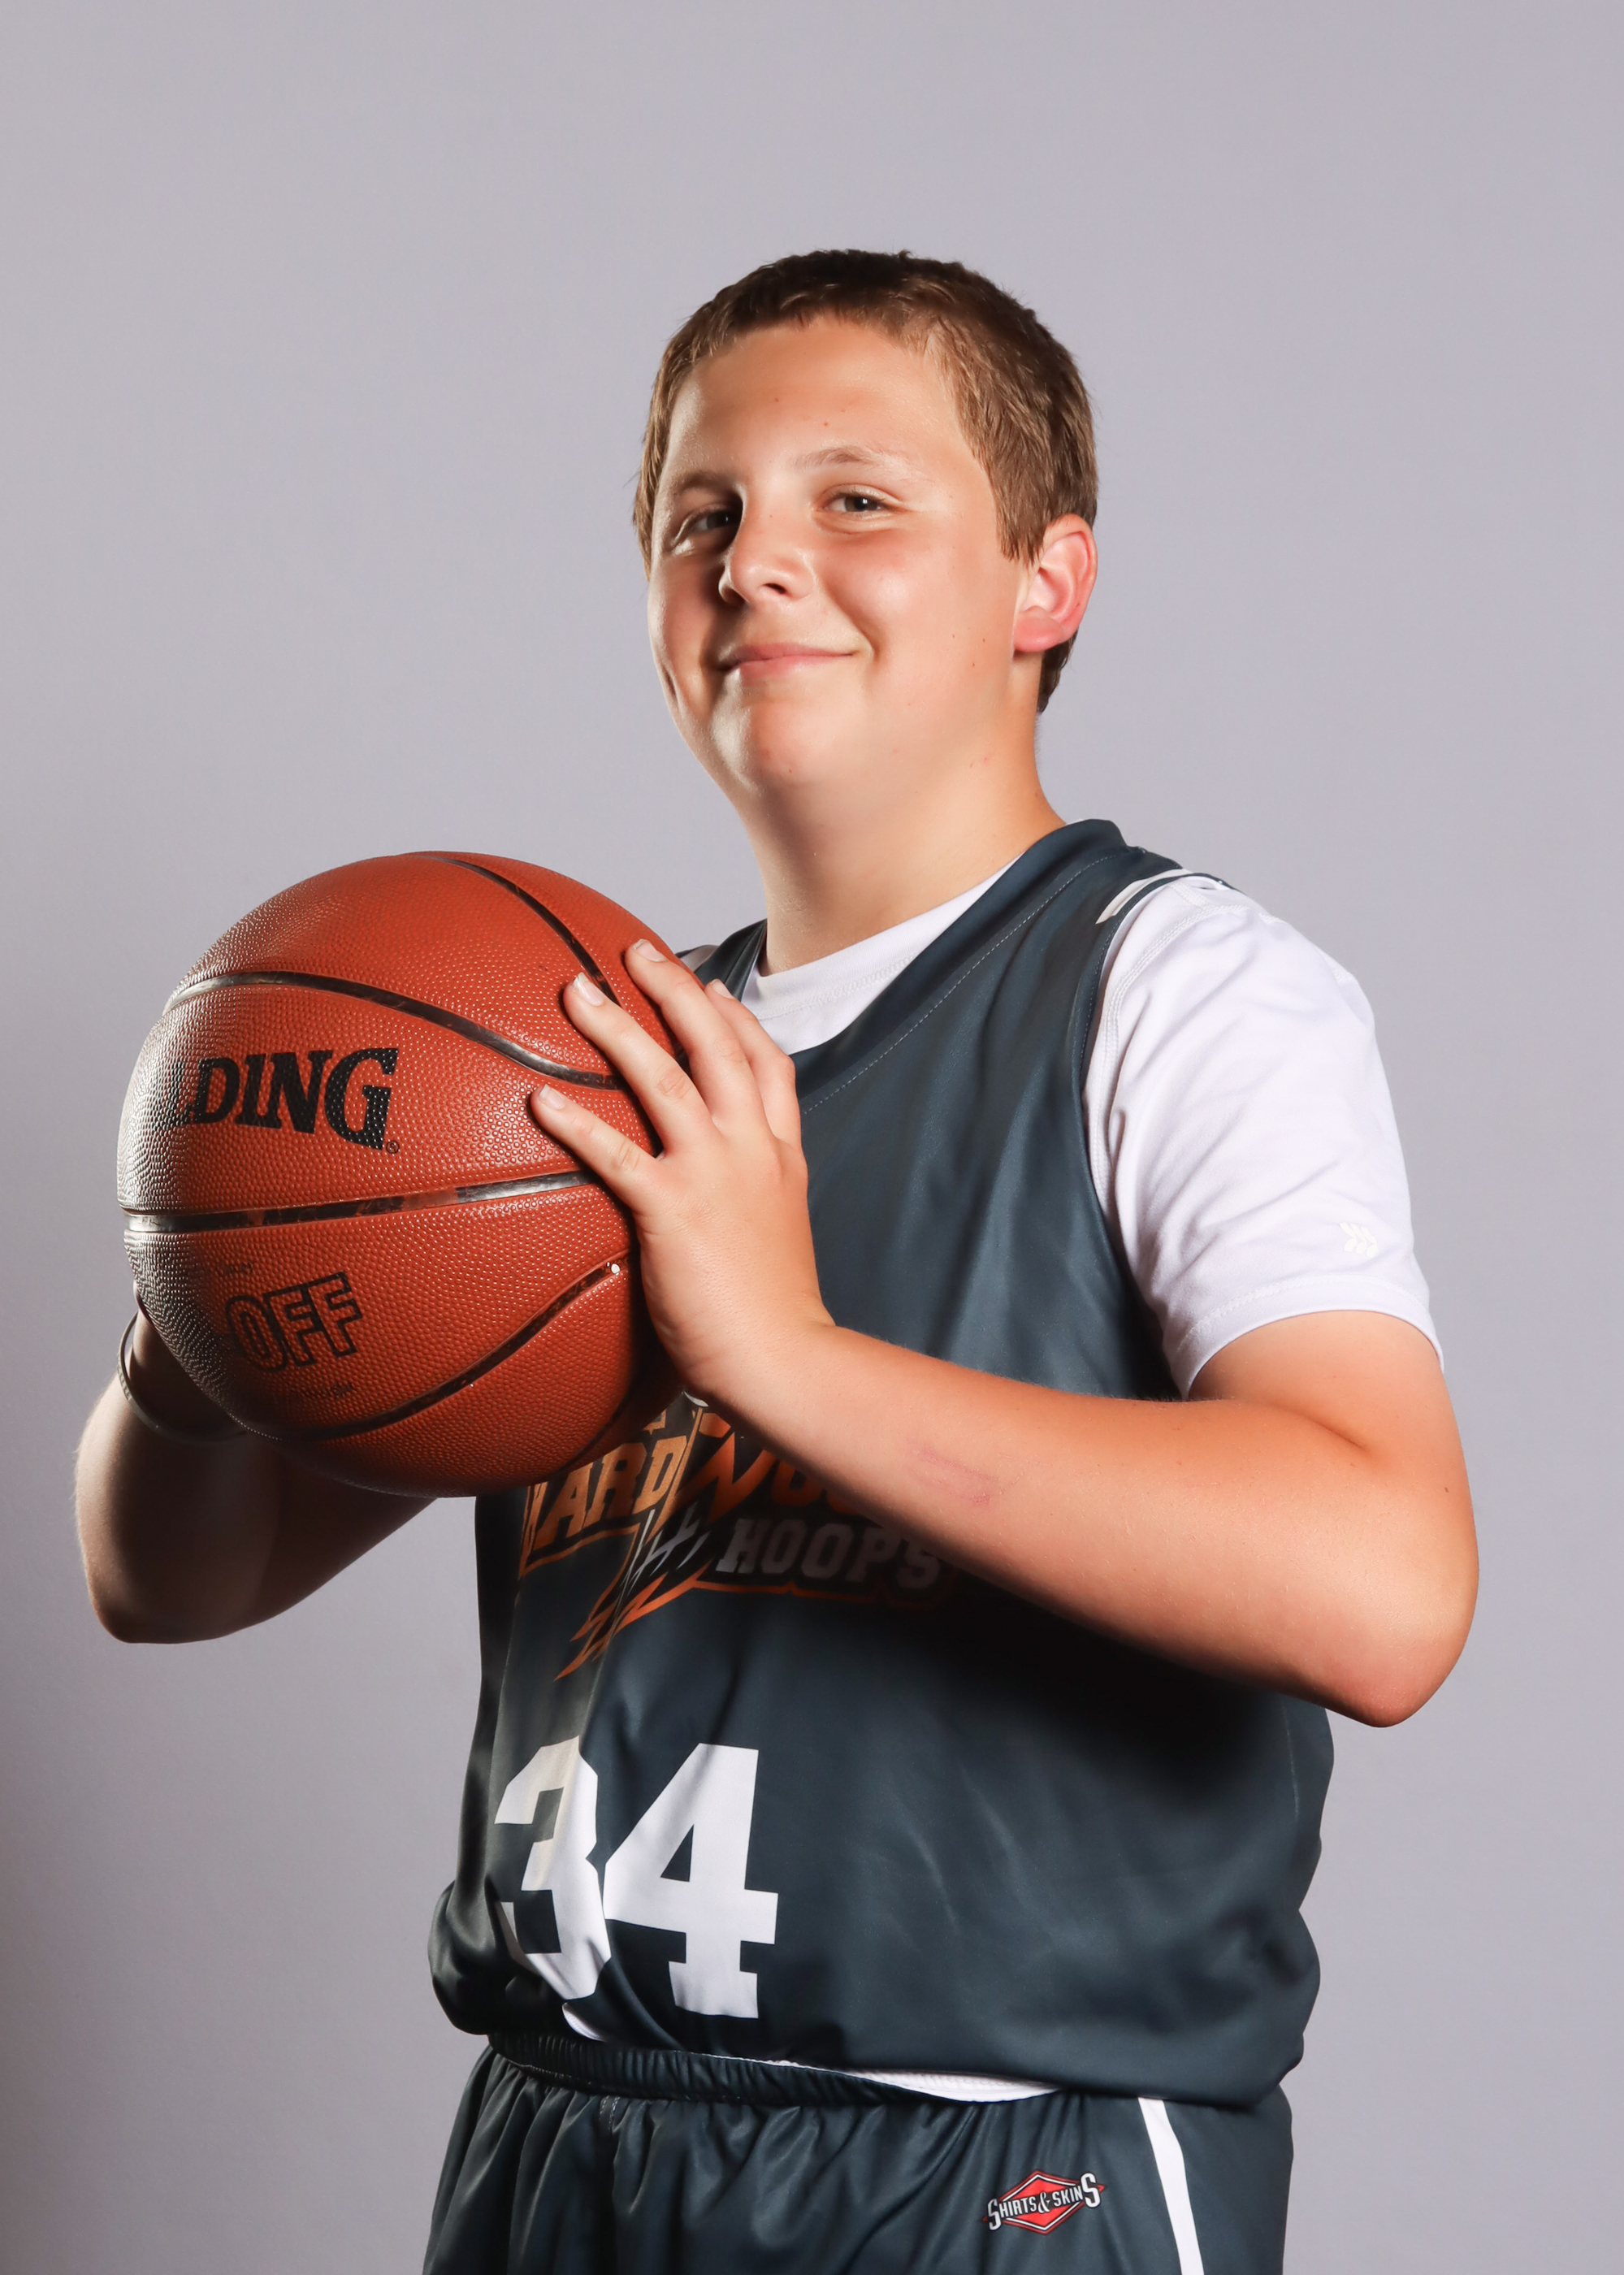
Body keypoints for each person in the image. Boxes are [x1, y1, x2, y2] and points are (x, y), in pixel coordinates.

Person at [76, 250, 1476, 2273]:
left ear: (1045, 583)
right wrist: (201, 1301)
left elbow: (1382, 1588)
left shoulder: (1174, 989)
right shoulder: (579, 1056)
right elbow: (165, 1574)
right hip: (570, 2137)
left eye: (858, 498)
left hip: (996, 2163)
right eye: (700, 517)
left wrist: (783, 1350)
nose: (754, 561)